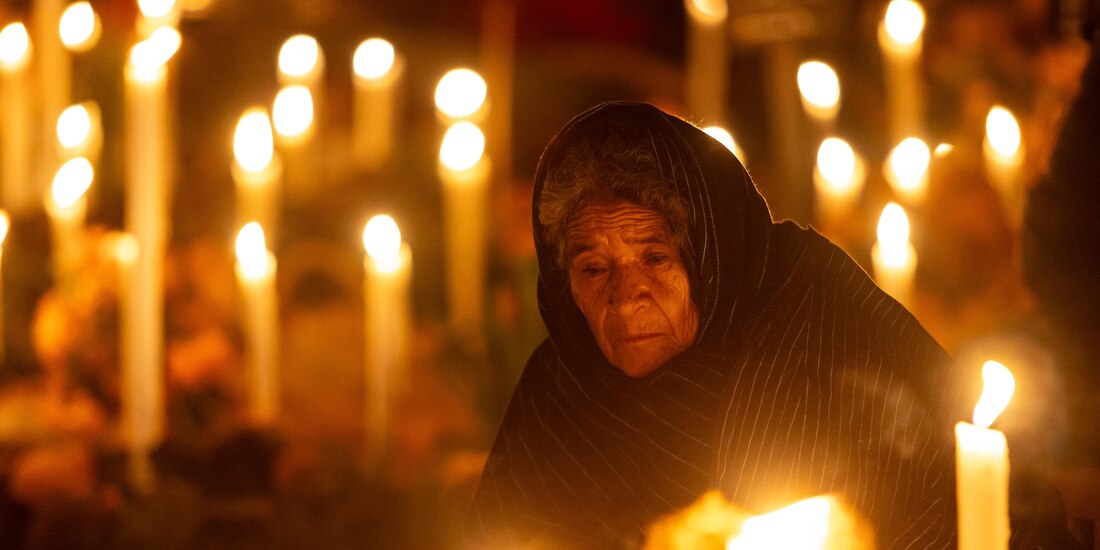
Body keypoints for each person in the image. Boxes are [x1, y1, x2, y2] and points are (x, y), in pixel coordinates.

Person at [466, 102, 1078, 549]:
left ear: (710, 255)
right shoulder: (559, 394)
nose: (625, 299)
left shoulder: (817, 337)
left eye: (655, 258)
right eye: (594, 268)